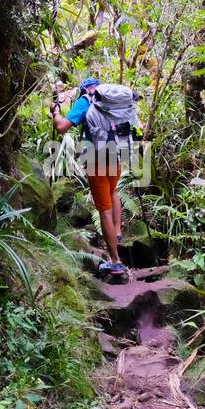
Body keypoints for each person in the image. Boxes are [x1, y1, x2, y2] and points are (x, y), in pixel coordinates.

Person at [50, 77, 127, 278]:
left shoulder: (86, 101)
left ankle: (116, 262)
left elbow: (62, 127)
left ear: (85, 89)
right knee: (113, 192)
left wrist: (56, 112)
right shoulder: (112, 101)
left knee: (104, 209)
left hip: (97, 158)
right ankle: (117, 233)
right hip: (118, 155)